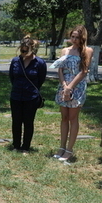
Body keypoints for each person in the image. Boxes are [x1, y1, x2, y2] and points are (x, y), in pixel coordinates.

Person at [51, 25, 93, 161]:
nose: (74, 40)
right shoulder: (65, 50)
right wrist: (64, 86)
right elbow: (60, 69)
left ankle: (69, 150)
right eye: (72, 36)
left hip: (77, 87)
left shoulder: (87, 51)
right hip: (63, 86)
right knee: (64, 118)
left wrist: (70, 87)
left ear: (82, 38)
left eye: (77, 37)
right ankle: (62, 147)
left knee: (73, 118)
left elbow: (84, 71)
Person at [8, 36, 47, 153]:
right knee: (16, 121)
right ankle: (16, 145)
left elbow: (41, 80)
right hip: (16, 95)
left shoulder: (40, 63)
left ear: (32, 50)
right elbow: (12, 77)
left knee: (28, 122)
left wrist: (31, 90)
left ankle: (25, 147)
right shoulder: (15, 61)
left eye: (26, 51)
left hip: (31, 97)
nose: (23, 53)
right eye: (22, 50)